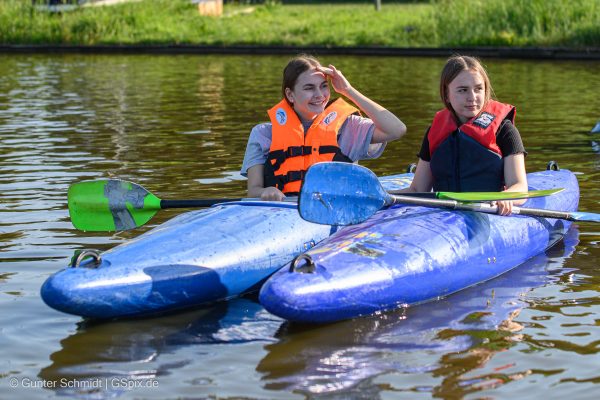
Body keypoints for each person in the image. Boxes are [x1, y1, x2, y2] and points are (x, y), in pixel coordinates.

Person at [241, 54, 407, 201]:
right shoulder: (262, 134)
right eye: (309, 88)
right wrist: (266, 191)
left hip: (335, 213)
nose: (319, 95)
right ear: (290, 94)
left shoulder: (349, 127)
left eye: (324, 86)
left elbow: (397, 130)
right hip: (283, 211)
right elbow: (253, 191)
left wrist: (347, 90)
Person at [403, 55, 528, 215]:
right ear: (446, 94)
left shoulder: (505, 130)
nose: (472, 97)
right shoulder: (434, 131)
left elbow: (519, 187)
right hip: (443, 215)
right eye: (463, 90)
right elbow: (417, 189)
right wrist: (381, 195)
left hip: (487, 212)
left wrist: (505, 197)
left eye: (478, 89)